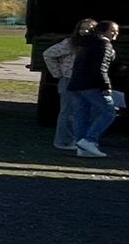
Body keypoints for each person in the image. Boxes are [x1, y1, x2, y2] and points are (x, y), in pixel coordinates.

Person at [65, 18, 121, 158]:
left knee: (81, 115)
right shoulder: (104, 44)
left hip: (76, 83)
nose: (115, 34)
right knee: (109, 111)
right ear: (103, 31)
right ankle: (89, 140)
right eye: (113, 31)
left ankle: (81, 146)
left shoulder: (85, 43)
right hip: (91, 84)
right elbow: (101, 67)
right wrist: (106, 85)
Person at [41, 18, 95, 151]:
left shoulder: (95, 45)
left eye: (89, 29)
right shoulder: (69, 43)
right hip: (69, 80)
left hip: (86, 82)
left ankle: (77, 139)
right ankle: (63, 141)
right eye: (82, 28)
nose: (85, 31)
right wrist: (58, 73)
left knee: (84, 112)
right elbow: (48, 54)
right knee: (68, 112)